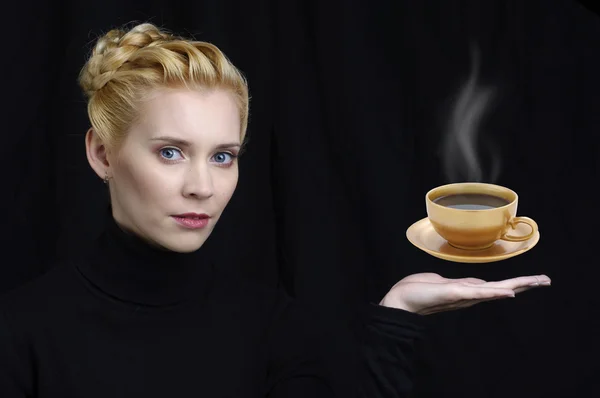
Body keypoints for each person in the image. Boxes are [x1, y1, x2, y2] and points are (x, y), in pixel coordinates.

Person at [0, 23, 551, 398]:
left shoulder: (271, 325)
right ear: (102, 153)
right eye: (170, 152)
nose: (202, 187)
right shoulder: (22, 332)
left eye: (223, 156)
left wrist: (397, 317)